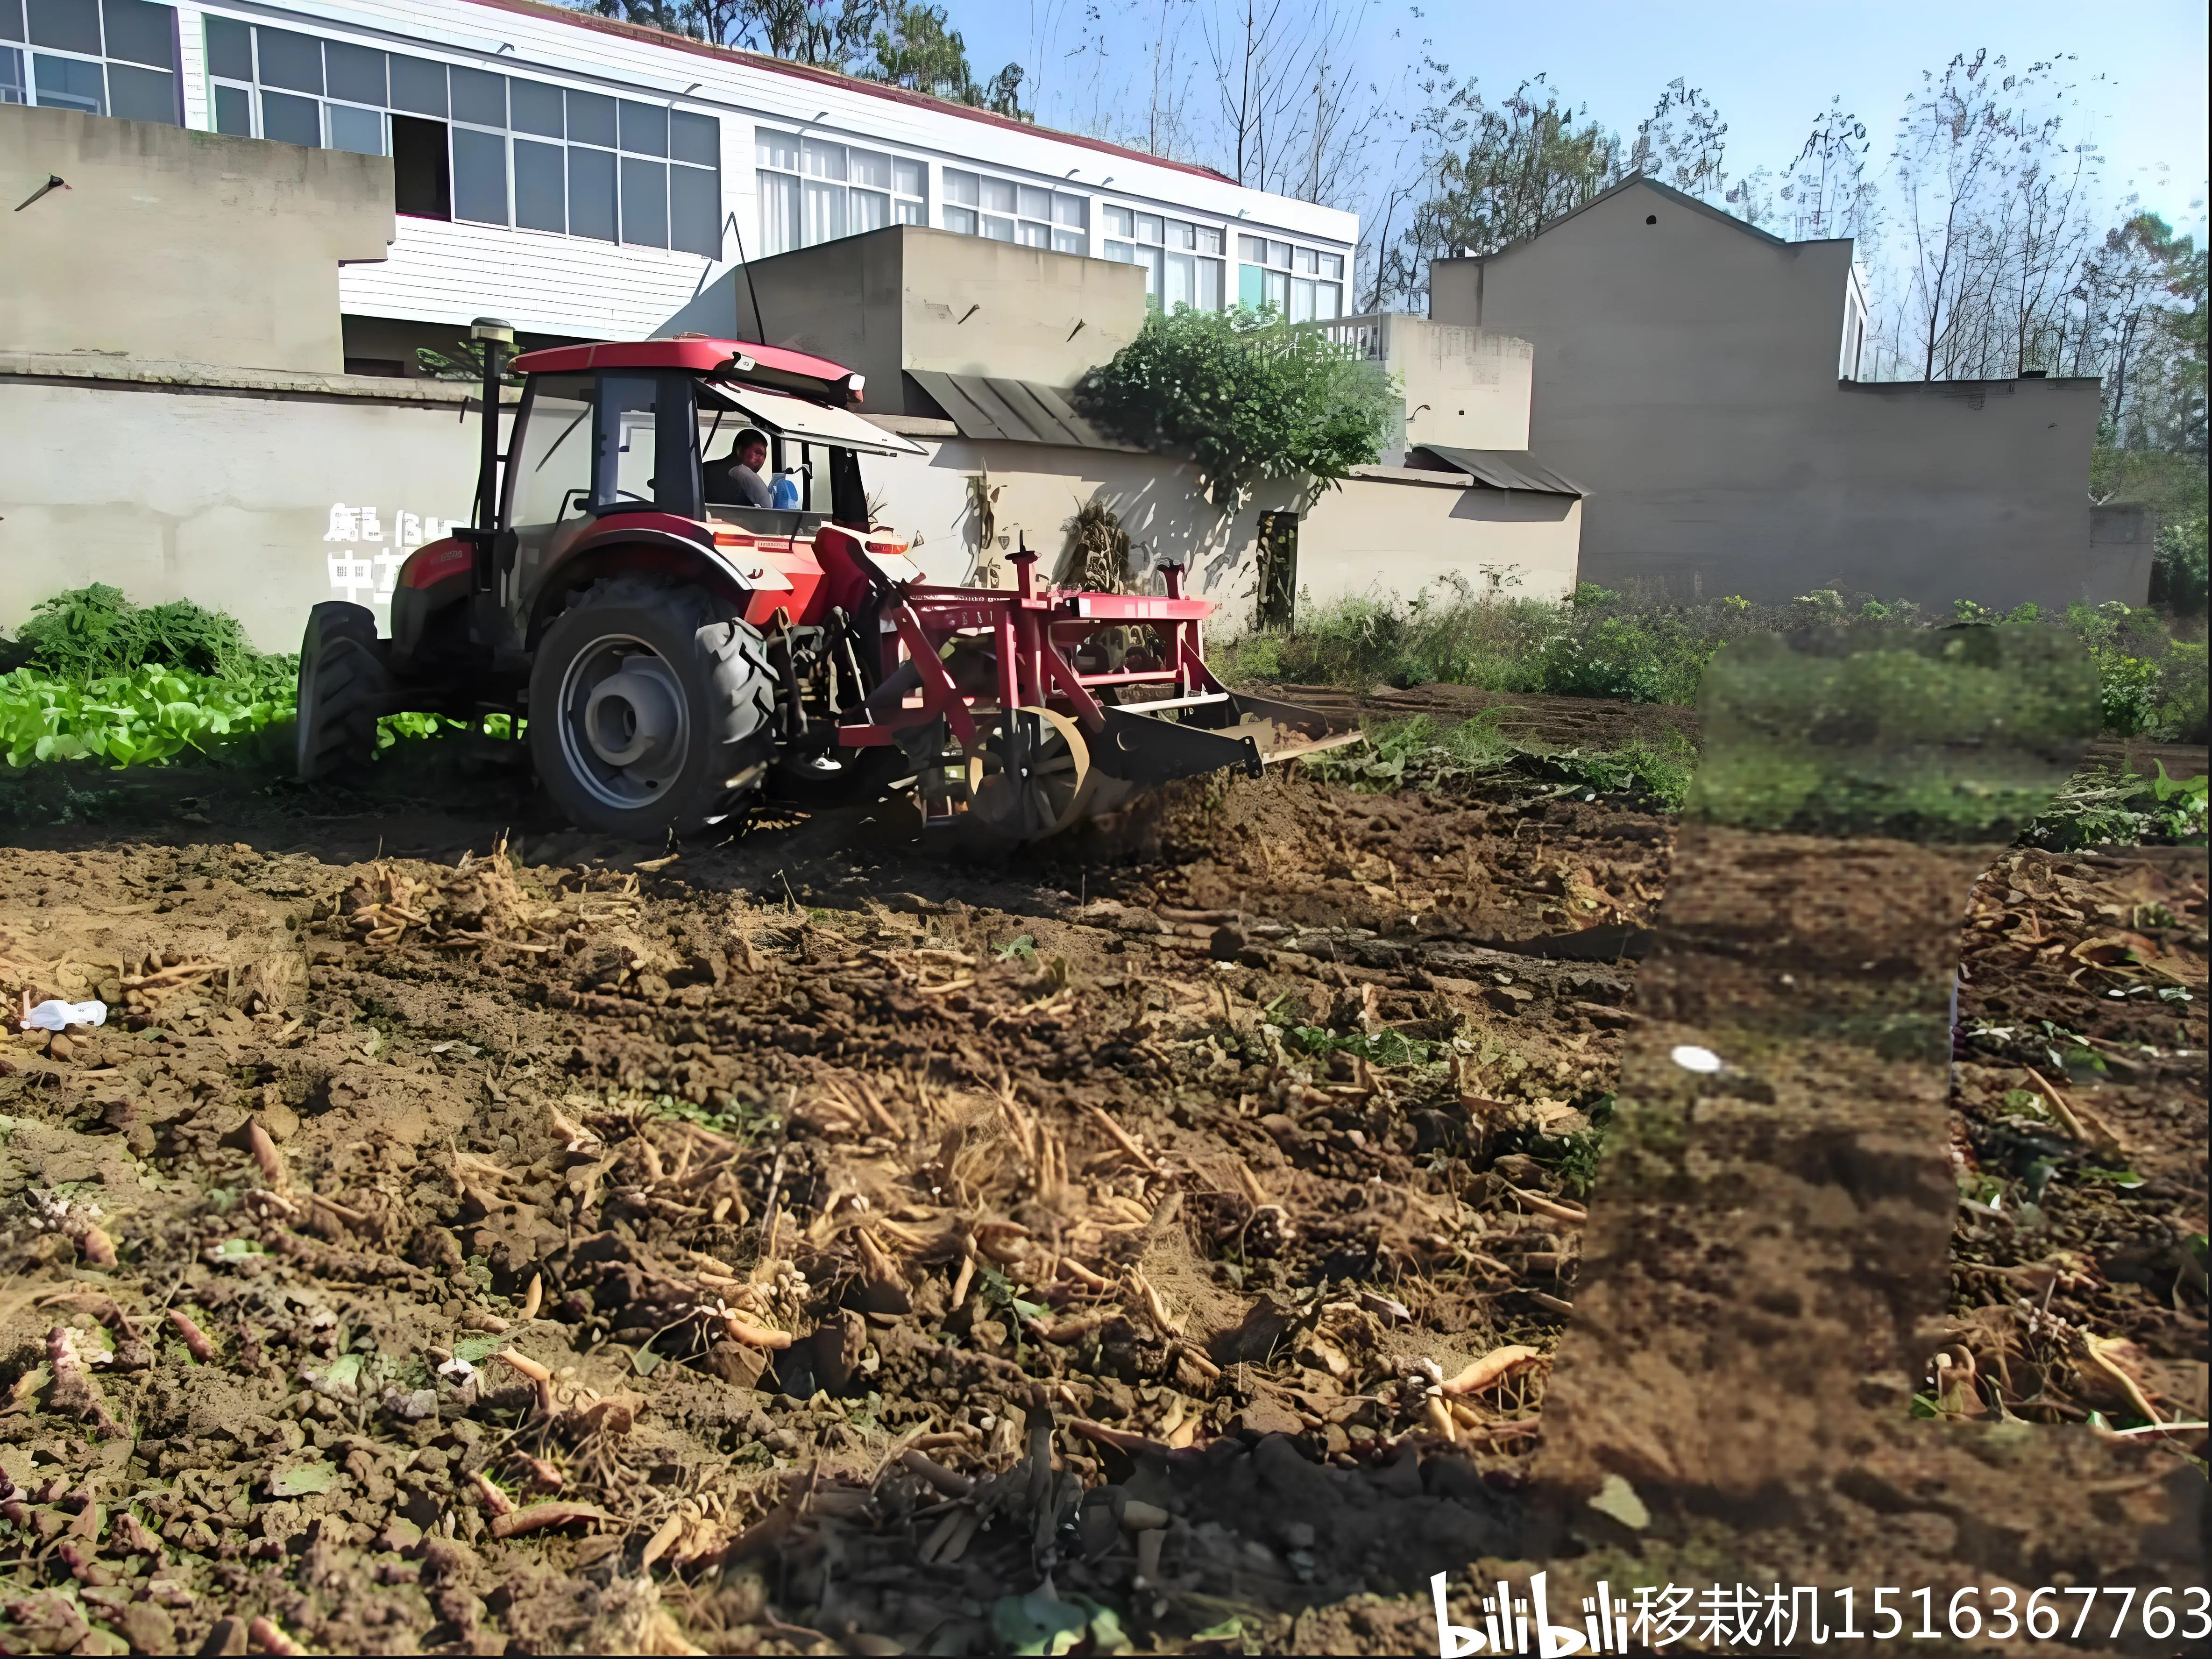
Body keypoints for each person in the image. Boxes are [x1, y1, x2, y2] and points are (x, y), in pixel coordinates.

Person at [706, 427, 773, 507]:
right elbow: (766, 506)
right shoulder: (740, 475)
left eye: (765, 456)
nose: (762, 459)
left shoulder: (704, 468)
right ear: (739, 449)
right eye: (758, 453)